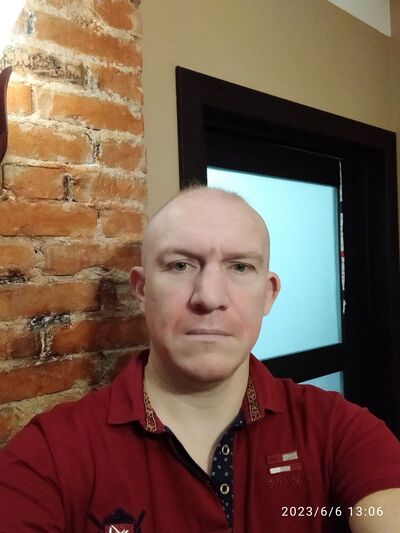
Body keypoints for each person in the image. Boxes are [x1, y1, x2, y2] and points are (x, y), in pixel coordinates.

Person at [0, 186, 399, 533]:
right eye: (180, 265)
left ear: (268, 294)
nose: (209, 297)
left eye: (239, 266)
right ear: (141, 290)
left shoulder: (338, 431)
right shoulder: (50, 456)